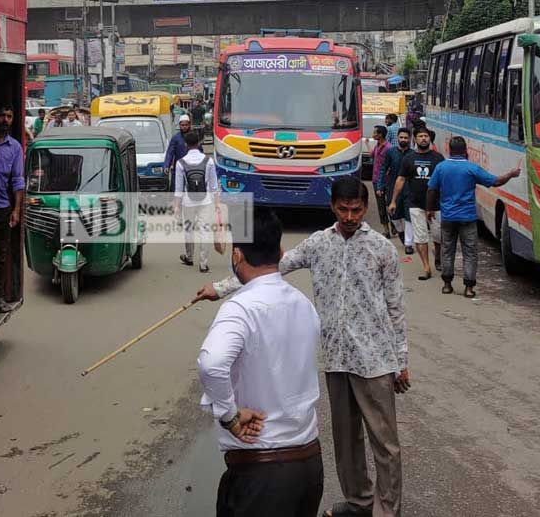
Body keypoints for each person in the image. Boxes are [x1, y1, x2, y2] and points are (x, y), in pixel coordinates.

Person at [196, 176, 409, 517]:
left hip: (376, 360)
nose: (350, 216)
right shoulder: (318, 243)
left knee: (385, 444)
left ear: (366, 208)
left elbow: (396, 307)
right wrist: (220, 288)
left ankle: (388, 510)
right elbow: (268, 265)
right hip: (337, 358)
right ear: (332, 207)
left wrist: (401, 359)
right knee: (346, 440)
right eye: (343, 209)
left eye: (357, 210)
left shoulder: (382, 248)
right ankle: (359, 502)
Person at [198, 207, 324, 517]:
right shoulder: (303, 304)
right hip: (308, 464)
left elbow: (211, 363)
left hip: (262, 473)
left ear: (237, 255)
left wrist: (229, 416)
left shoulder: (240, 308)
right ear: (281, 252)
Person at [426, 136, 521, 298]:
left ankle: (447, 285)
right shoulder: (472, 169)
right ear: (466, 151)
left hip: (448, 217)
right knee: (470, 252)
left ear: (449, 149)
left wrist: (429, 210)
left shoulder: (441, 167)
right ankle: (469, 288)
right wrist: (511, 174)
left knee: (447, 250)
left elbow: (431, 190)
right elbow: (495, 182)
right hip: (467, 218)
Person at [389, 128, 444, 280]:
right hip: (415, 203)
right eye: (420, 136)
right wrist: (393, 201)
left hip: (436, 205)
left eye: (426, 136)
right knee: (420, 238)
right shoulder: (409, 159)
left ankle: (438, 256)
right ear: (415, 139)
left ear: (430, 139)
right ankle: (426, 267)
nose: (423, 139)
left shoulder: (438, 158)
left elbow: (444, 180)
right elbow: (400, 180)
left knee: (438, 235)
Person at [0, 105, 25, 313]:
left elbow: (18, 181)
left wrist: (16, 210)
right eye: (1, 115)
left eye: (9, 116)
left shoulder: (15, 148)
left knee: (0, 257)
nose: (5, 120)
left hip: (2, 208)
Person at [174, 131, 219, 273]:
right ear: (199, 143)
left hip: (188, 201)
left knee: (188, 229)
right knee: (204, 230)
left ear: (186, 144)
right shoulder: (209, 161)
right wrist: (217, 204)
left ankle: (189, 257)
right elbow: (214, 186)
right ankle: (203, 263)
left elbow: (178, 189)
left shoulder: (180, 163)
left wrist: (176, 207)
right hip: (205, 200)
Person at [377, 128, 413, 253]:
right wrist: (380, 186)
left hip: (409, 190)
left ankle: (408, 244)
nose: (403, 140)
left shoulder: (413, 154)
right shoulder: (391, 152)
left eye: (406, 137)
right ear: (397, 138)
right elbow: (383, 169)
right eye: (401, 137)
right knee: (394, 216)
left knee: (409, 216)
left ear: (410, 139)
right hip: (392, 189)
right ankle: (401, 233)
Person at [369, 125, 392, 238]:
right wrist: (368, 144)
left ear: (380, 135)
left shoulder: (388, 148)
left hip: (386, 181)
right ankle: (386, 230)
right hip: (376, 180)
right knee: (381, 206)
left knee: (390, 204)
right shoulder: (377, 146)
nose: (373, 134)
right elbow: (372, 155)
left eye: (375, 132)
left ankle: (393, 226)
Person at [164, 114, 193, 182]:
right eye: (182, 125)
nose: (184, 127)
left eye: (186, 125)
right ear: (179, 125)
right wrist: (166, 165)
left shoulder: (193, 136)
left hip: (192, 168)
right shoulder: (175, 138)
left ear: (189, 125)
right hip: (178, 168)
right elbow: (170, 153)